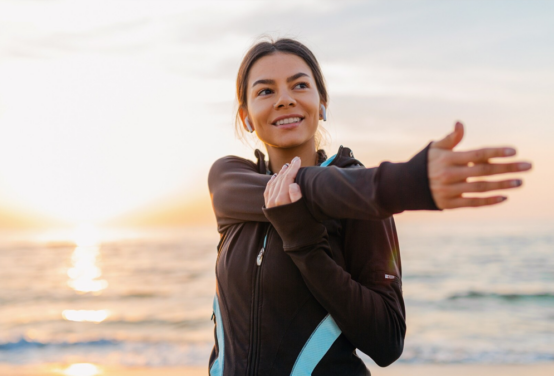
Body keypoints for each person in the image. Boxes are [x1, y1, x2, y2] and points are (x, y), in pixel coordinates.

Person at [207, 38, 531, 376]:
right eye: (265, 91)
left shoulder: (357, 194)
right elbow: (310, 187)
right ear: (245, 116)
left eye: (300, 85)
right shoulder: (230, 180)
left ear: (322, 103)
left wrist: (306, 246)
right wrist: (406, 182)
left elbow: (387, 342)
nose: (285, 99)